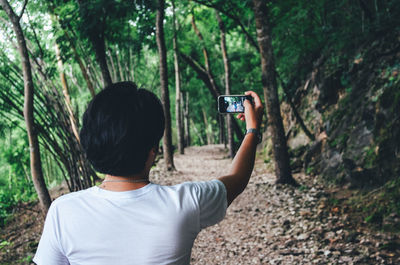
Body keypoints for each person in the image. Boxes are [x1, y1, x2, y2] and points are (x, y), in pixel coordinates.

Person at [33, 81, 264, 265]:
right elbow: (237, 179)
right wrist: (252, 130)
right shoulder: (185, 203)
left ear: (91, 141)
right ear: (152, 151)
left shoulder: (63, 212)